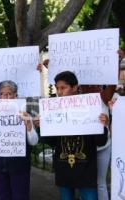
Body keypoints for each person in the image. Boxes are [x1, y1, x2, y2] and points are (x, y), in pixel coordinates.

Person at [40, 71, 109, 200]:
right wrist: (43, 127)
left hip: (86, 170)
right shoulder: (53, 109)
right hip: (64, 169)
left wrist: (103, 126)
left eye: (63, 87)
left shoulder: (91, 107)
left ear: (75, 87)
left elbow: (101, 141)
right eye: (57, 88)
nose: (59, 92)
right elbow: (50, 142)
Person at [0, 80, 38, 200]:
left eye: (9, 94)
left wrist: (29, 126)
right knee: (3, 195)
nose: (4, 97)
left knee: (20, 195)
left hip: (19, 164)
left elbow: (34, 141)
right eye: (1, 94)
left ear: (15, 96)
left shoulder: (24, 114)